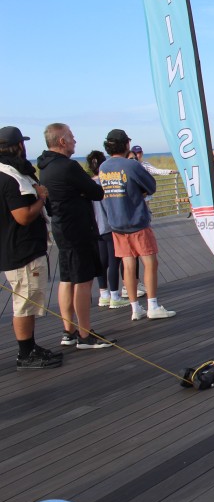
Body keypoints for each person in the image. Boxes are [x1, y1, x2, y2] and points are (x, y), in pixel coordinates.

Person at [38, 123, 115, 349]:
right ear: (62, 141)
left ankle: (69, 331)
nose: (75, 141)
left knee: (67, 279)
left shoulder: (44, 167)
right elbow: (97, 192)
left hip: (61, 228)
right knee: (82, 280)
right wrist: (82, 191)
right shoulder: (68, 166)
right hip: (79, 229)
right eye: (71, 137)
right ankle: (85, 334)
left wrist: (80, 191)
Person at [0, 126, 63, 369]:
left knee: (28, 301)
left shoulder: (9, 173)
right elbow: (23, 216)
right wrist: (42, 198)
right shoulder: (9, 179)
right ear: (18, 146)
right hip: (22, 251)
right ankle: (25, 353)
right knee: (25, 304)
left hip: (21, 249)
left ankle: (30, 346)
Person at [99, 129, 177, 321]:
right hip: (136, 221)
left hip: (116, 224)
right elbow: (151, 186)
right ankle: (153, 305)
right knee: (150, 262)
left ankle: (135, 308)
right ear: (126, 144)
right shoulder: (131, 165)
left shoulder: (103, 167)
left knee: (128, 264)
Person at [86, 151, 125, 309]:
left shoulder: (87, 185)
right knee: (114, 261)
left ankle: (104, 294)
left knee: (102, 262)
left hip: (96, 228)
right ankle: (115, 296)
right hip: (111, 226)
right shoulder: (108, 182)